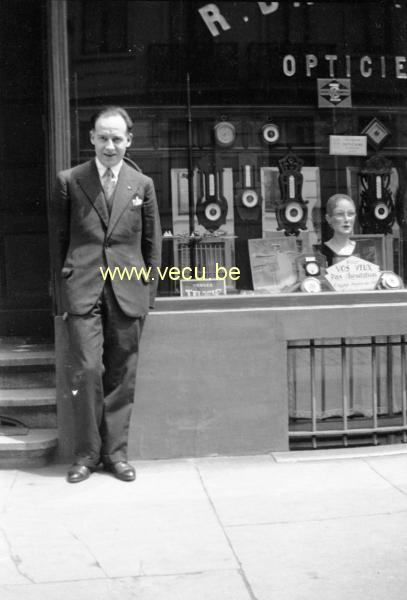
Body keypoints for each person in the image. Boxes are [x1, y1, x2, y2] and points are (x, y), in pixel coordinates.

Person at [52, 106, 162, 483]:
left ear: (129, 140)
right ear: (91, 139)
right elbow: (59, 242)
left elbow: (152, 244)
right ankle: (86, 454)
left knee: (121, 374)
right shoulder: (70, 181)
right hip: (82, 290)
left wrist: (148, 297)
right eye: (103, 138)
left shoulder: (142, 184)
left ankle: (116, 456)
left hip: (128, 290)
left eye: (117, 139)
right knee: (87, 370)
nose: (110, 146)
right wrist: (62, 296)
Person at [320, 193, 357, 266]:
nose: (346, 219)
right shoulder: (321, 252)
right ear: (328, 218)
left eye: (351, 214)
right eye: (340, 214)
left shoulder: (364, 249)